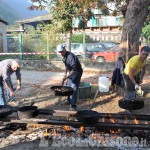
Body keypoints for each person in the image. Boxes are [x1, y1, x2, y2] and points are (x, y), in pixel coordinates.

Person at [58, 45, 83, 111]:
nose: (61, 53)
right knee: (68, 86)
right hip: (71, 72)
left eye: (62, 52)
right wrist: (65, 73)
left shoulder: (70, 57)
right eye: (60, 52)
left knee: (73, 88)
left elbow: (74, 69)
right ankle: (69, 100)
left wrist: (67, 77)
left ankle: (73, 106)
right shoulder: (64, 56)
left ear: (65, 50)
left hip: (77, 72)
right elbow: (66, 65)